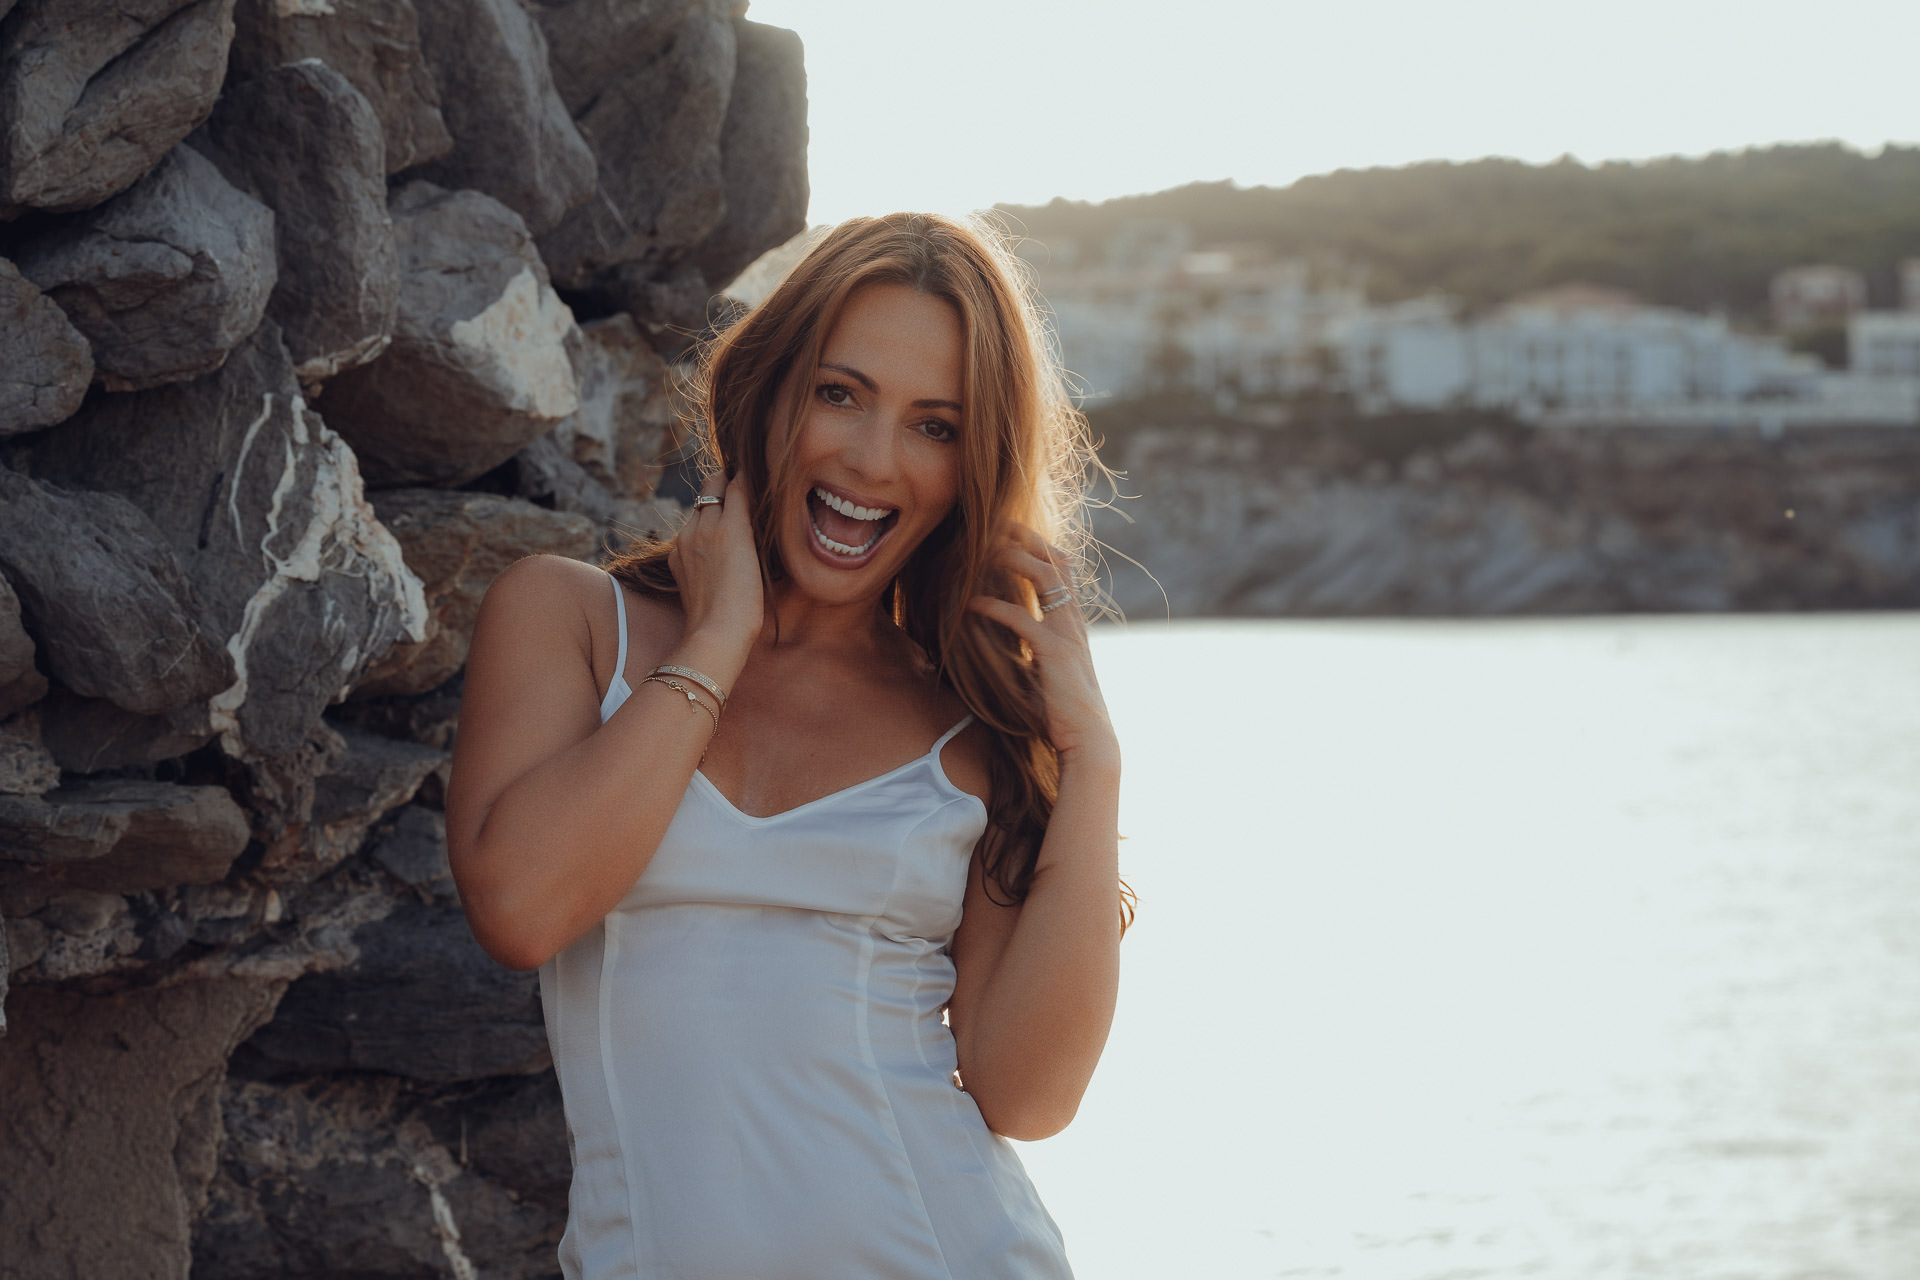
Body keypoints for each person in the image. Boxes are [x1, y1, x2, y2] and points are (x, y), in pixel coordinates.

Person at [445, 212, 1128, 1279]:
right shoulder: (573, 623)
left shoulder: (969, 729)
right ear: (769, 391)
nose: (872, 457)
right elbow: (522, 907)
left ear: (968, 468)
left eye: (934, 426)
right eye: (840, 392)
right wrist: (719, 639)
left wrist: (1092, 764)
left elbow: (1028, 1094)